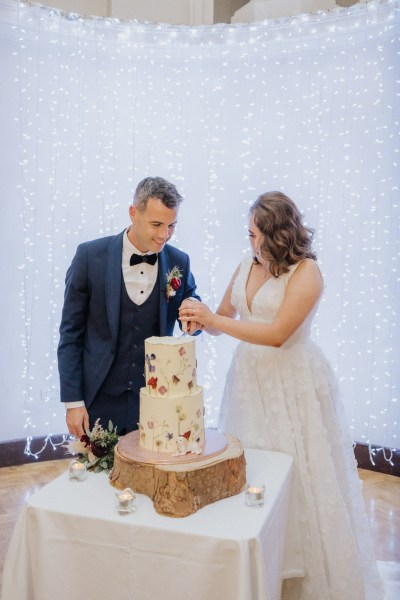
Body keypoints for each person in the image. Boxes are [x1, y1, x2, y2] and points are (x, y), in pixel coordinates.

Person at [179, 191, 384, 600]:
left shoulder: (308, 273)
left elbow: (275, 335)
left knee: (298, 475)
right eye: (247, 233)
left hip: (293, 384)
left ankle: (300, 579)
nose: (249, 242)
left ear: (277, 234)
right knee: (251, 471)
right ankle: (254, 566)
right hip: (248, 382)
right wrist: (196, 316)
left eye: (255, 233)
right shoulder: (245, 264)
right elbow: (223, 319)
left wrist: (214, 318)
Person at [58, 176, 201, 439]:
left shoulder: (179, 261)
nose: (164, 235)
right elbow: (70, 334)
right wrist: (73, 402)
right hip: (98, 398)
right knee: (97, 477)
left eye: (171, 226)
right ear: (133, 213)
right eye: (156, 224)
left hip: (155, 401)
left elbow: (191, 302)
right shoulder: (90, 257)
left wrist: (193, 313)